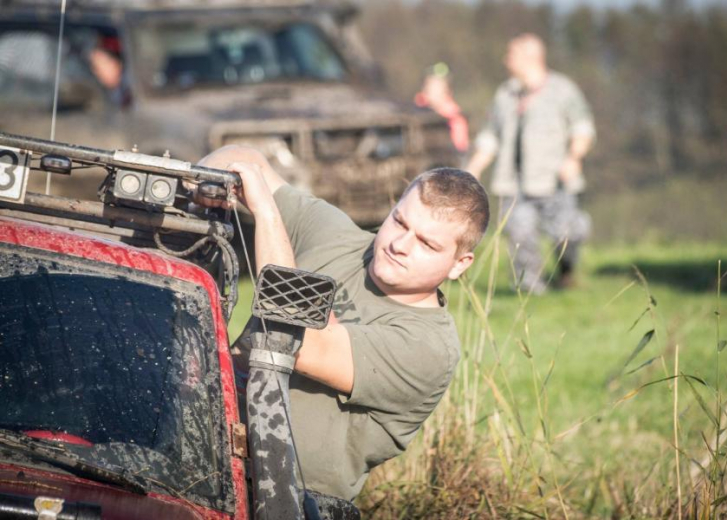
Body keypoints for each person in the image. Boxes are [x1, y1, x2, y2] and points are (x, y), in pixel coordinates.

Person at [197, 145, 489, 501]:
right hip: (198, 447)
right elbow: (245, 156)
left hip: (285, 499)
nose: (400, 244)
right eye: (399, 221)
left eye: (426, 244)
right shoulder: (338, 235)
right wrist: (202, 187)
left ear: (460, 264)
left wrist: (267, 214)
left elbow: (290, 340)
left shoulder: (428, 348)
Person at [467, 33, 595, 294]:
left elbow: (582, 128)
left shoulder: (562, 90)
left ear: (530, 57)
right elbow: (491, 135)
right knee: (520, 235)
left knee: (567, 233)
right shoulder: (505, 94)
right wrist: (475, 168)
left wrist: (574, 158)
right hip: (513, 183)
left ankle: (567, 270)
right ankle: (530, 292)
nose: (505, 60)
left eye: (510, 55)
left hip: (555, 181)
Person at [414, 62, 470, 153]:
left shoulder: (455, 118)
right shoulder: (415, 111)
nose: (429, 90)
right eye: (428, 85)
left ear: (448, 90)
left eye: (436, 87)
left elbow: (460, 149)